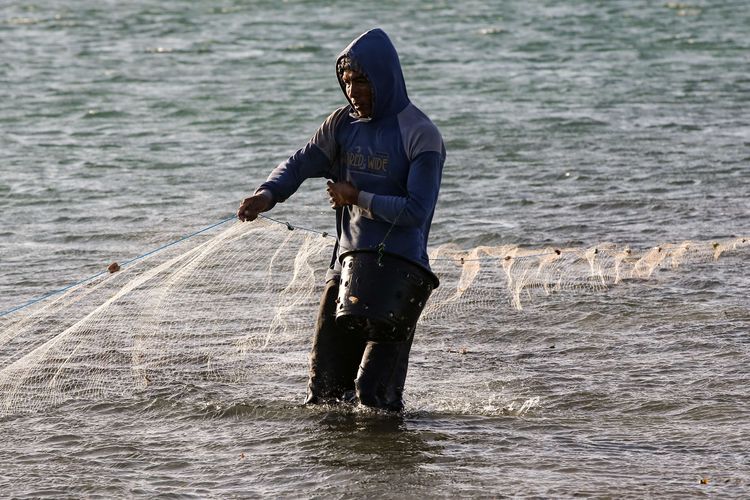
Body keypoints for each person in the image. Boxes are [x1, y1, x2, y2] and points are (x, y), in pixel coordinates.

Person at [237, 28, 445, 411]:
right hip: (346, 269)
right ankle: (336, 469)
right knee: (325, 392)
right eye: (347, 82)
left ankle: (389, 464)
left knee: (374, 396)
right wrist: (267, 195)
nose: (353, 91)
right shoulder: (341, 126)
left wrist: (358, 198)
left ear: (385, 79)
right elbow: (300, 163)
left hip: (400, 275)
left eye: (362, 81)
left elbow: (417, 211)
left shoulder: (420, 134)